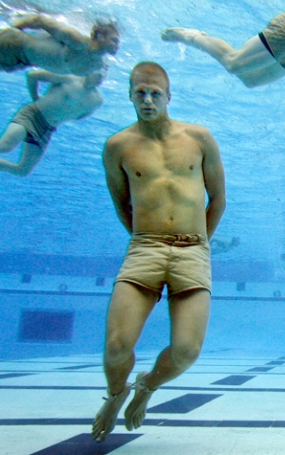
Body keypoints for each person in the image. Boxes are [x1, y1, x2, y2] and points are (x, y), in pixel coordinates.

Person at [91, 61, 226, 443]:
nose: (148, 99)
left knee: (186, 351)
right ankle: (116, 395)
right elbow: (122, 203)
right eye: (140, 93)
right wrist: (147, 240)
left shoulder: (199, 138)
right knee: (117, 346)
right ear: (130, 95)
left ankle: (146, 386)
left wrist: (198, 243)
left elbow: (218, 199)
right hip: (145, 248)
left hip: (193, 251)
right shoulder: (118, 146)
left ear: (169, 97)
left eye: (155, 93)